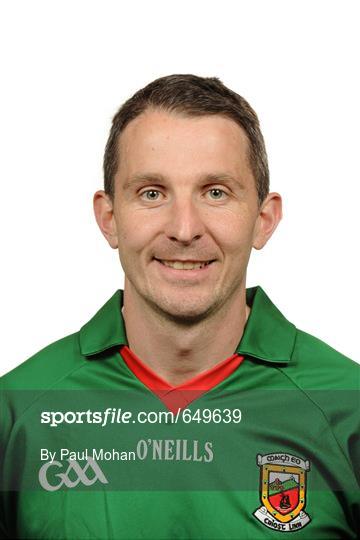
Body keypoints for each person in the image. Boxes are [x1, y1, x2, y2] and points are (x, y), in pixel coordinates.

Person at [0, 74, 358, 539]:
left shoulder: (347, 408)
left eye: (215, 192)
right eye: (152, 193)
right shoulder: (18, 411)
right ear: (109, 219)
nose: (185, 228)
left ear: (263, 220)